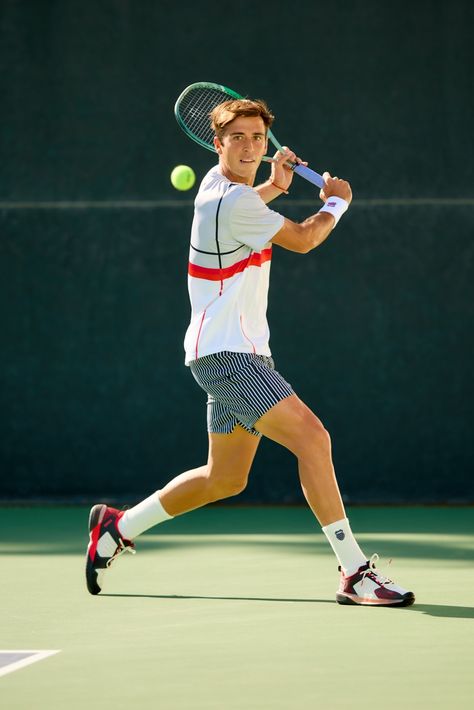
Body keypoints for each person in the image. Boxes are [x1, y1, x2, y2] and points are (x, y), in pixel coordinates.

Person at [85, 97, 414, 607]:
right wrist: (336, 203)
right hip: (228, 357)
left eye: (258, 138)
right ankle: (355, 572)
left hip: (236, 353)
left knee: (225, 478)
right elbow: (304, 239)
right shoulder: (235, 202)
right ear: (216, 143)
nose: (250, 146)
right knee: (314, 439)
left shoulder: (220, 189)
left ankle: (116, 527)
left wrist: (279, 184)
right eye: (237, 137)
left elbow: (250, 204)